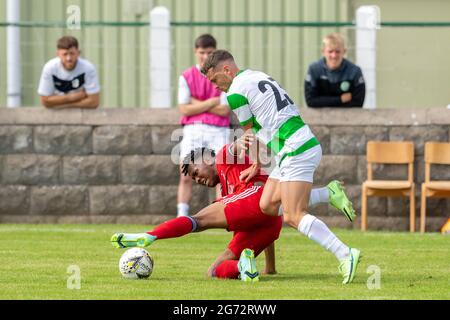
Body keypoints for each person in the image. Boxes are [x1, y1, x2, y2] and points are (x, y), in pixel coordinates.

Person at [201, 49, 361, 284]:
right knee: (267, 204)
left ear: (227, 70)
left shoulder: (235, 92)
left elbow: (249, 135)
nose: (215, 86)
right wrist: (257, 163)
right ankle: (328, 193)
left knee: (294, 215)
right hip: (293, 147)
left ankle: (345, 254)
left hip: (297, 149)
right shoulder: (255, 76)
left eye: (215, 79)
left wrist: (256, 162)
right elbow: (261, 127)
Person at [111, 141, 353, 281]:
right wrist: (271, 267)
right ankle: (242, 267)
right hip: (268, 223)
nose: (198, 180)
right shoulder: (227, 192)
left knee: (199, 221)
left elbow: (250, 139)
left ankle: (151, 235)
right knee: (214, 270)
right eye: (194, 179)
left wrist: (256, 161)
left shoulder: (224, 156)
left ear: (207, 158)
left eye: (196, 172)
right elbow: (266, 217)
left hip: (259, 200)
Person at [177, 34, 231, 218]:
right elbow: (184, 109)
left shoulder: (222, 75)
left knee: (220, 175)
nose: (205, 56)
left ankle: (221, 215)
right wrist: (211, 102)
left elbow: (224, 110)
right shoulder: (186, 76)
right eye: (202, 52)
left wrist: (196, 103)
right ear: (195, 52)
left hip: (218, 129)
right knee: (186, 173)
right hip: (193, 129)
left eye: (209, 52)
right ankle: (182, 216)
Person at [304, 33, 365, 108]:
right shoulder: (314, 69)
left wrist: (323, 101)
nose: (334, 56)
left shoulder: (355, 71)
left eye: (337, 51)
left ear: (344, 52)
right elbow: (311, 101)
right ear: (323, 52)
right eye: (330, 51)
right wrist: (340, 99)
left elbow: (358, 103)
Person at [38, 36, 100, 109]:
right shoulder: (49, 68)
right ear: (57, 54)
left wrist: (62, 104)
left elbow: (94, 102)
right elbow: (45, 101)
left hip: (81, 115)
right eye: (65, 54)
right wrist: (73, 97)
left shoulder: (88, 68)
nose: (69, 58)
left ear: (78, 53)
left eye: (72, 53)